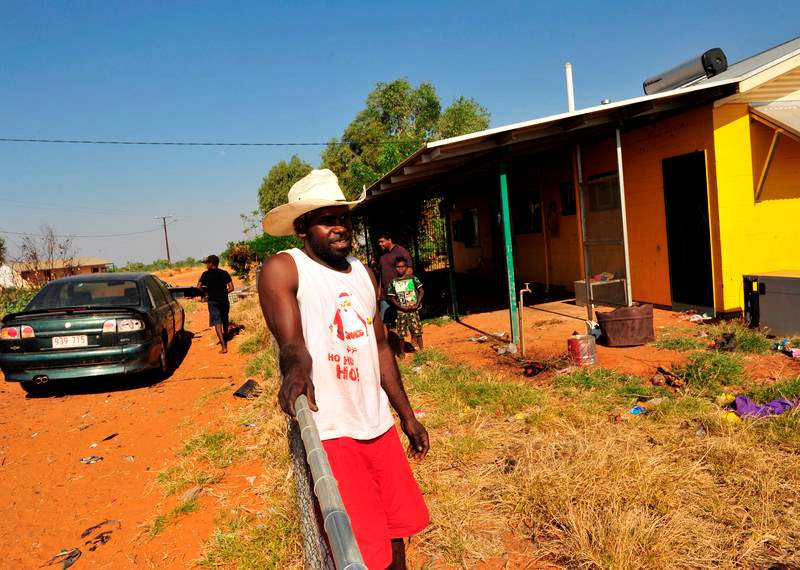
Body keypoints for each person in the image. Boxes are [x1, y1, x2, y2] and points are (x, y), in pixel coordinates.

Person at [258, 169, 429, 569]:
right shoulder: (285, 269)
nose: (340, 228)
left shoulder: (363, 273)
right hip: (333, 430)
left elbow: (381, 348)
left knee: (394, 530)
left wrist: (406, 417)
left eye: (344, 218)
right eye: (327, 219)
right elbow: (292, 344)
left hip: (376, 424)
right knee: (357, 547)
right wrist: (295, 372)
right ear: (302, 226)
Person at [387, 258, 424, 356]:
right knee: (401, 334)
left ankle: (423, 352)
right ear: (395, 268)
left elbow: (421, 291)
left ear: (406, 267)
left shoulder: (412, 278)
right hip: (401, 312)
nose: (400, 269)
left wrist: (416, 304)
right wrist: (401, 307)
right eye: (398, 267)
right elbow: (392, 298)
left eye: (402, 266)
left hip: (413, 310)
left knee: (417, 331)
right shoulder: (393, 282)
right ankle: (402, 353)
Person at [197, 255, 234, 353]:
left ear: (211, 263)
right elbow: (231, 288)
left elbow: (198, 287)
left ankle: (223, 347)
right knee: (225, 319)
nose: (206, 266)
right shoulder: (224, 273)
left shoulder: (205, 274)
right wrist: (222, 293)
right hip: (224, 300)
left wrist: (206, 294)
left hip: (212, 301)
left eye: (207, 263)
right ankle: (226, 337)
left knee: (217, 323)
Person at [377, 232, 411, 328]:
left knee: (405, 321)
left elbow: (409, 270)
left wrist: (402, 288)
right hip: (385, 294)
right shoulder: (382, 256)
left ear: (389, 240)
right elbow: (381, 274)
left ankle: (411, 340)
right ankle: (387, 342)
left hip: (399, 293)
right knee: (384, 322)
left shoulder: (401, 251)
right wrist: (379, 290)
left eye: (382, 241)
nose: (380, 244)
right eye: (379, 242)